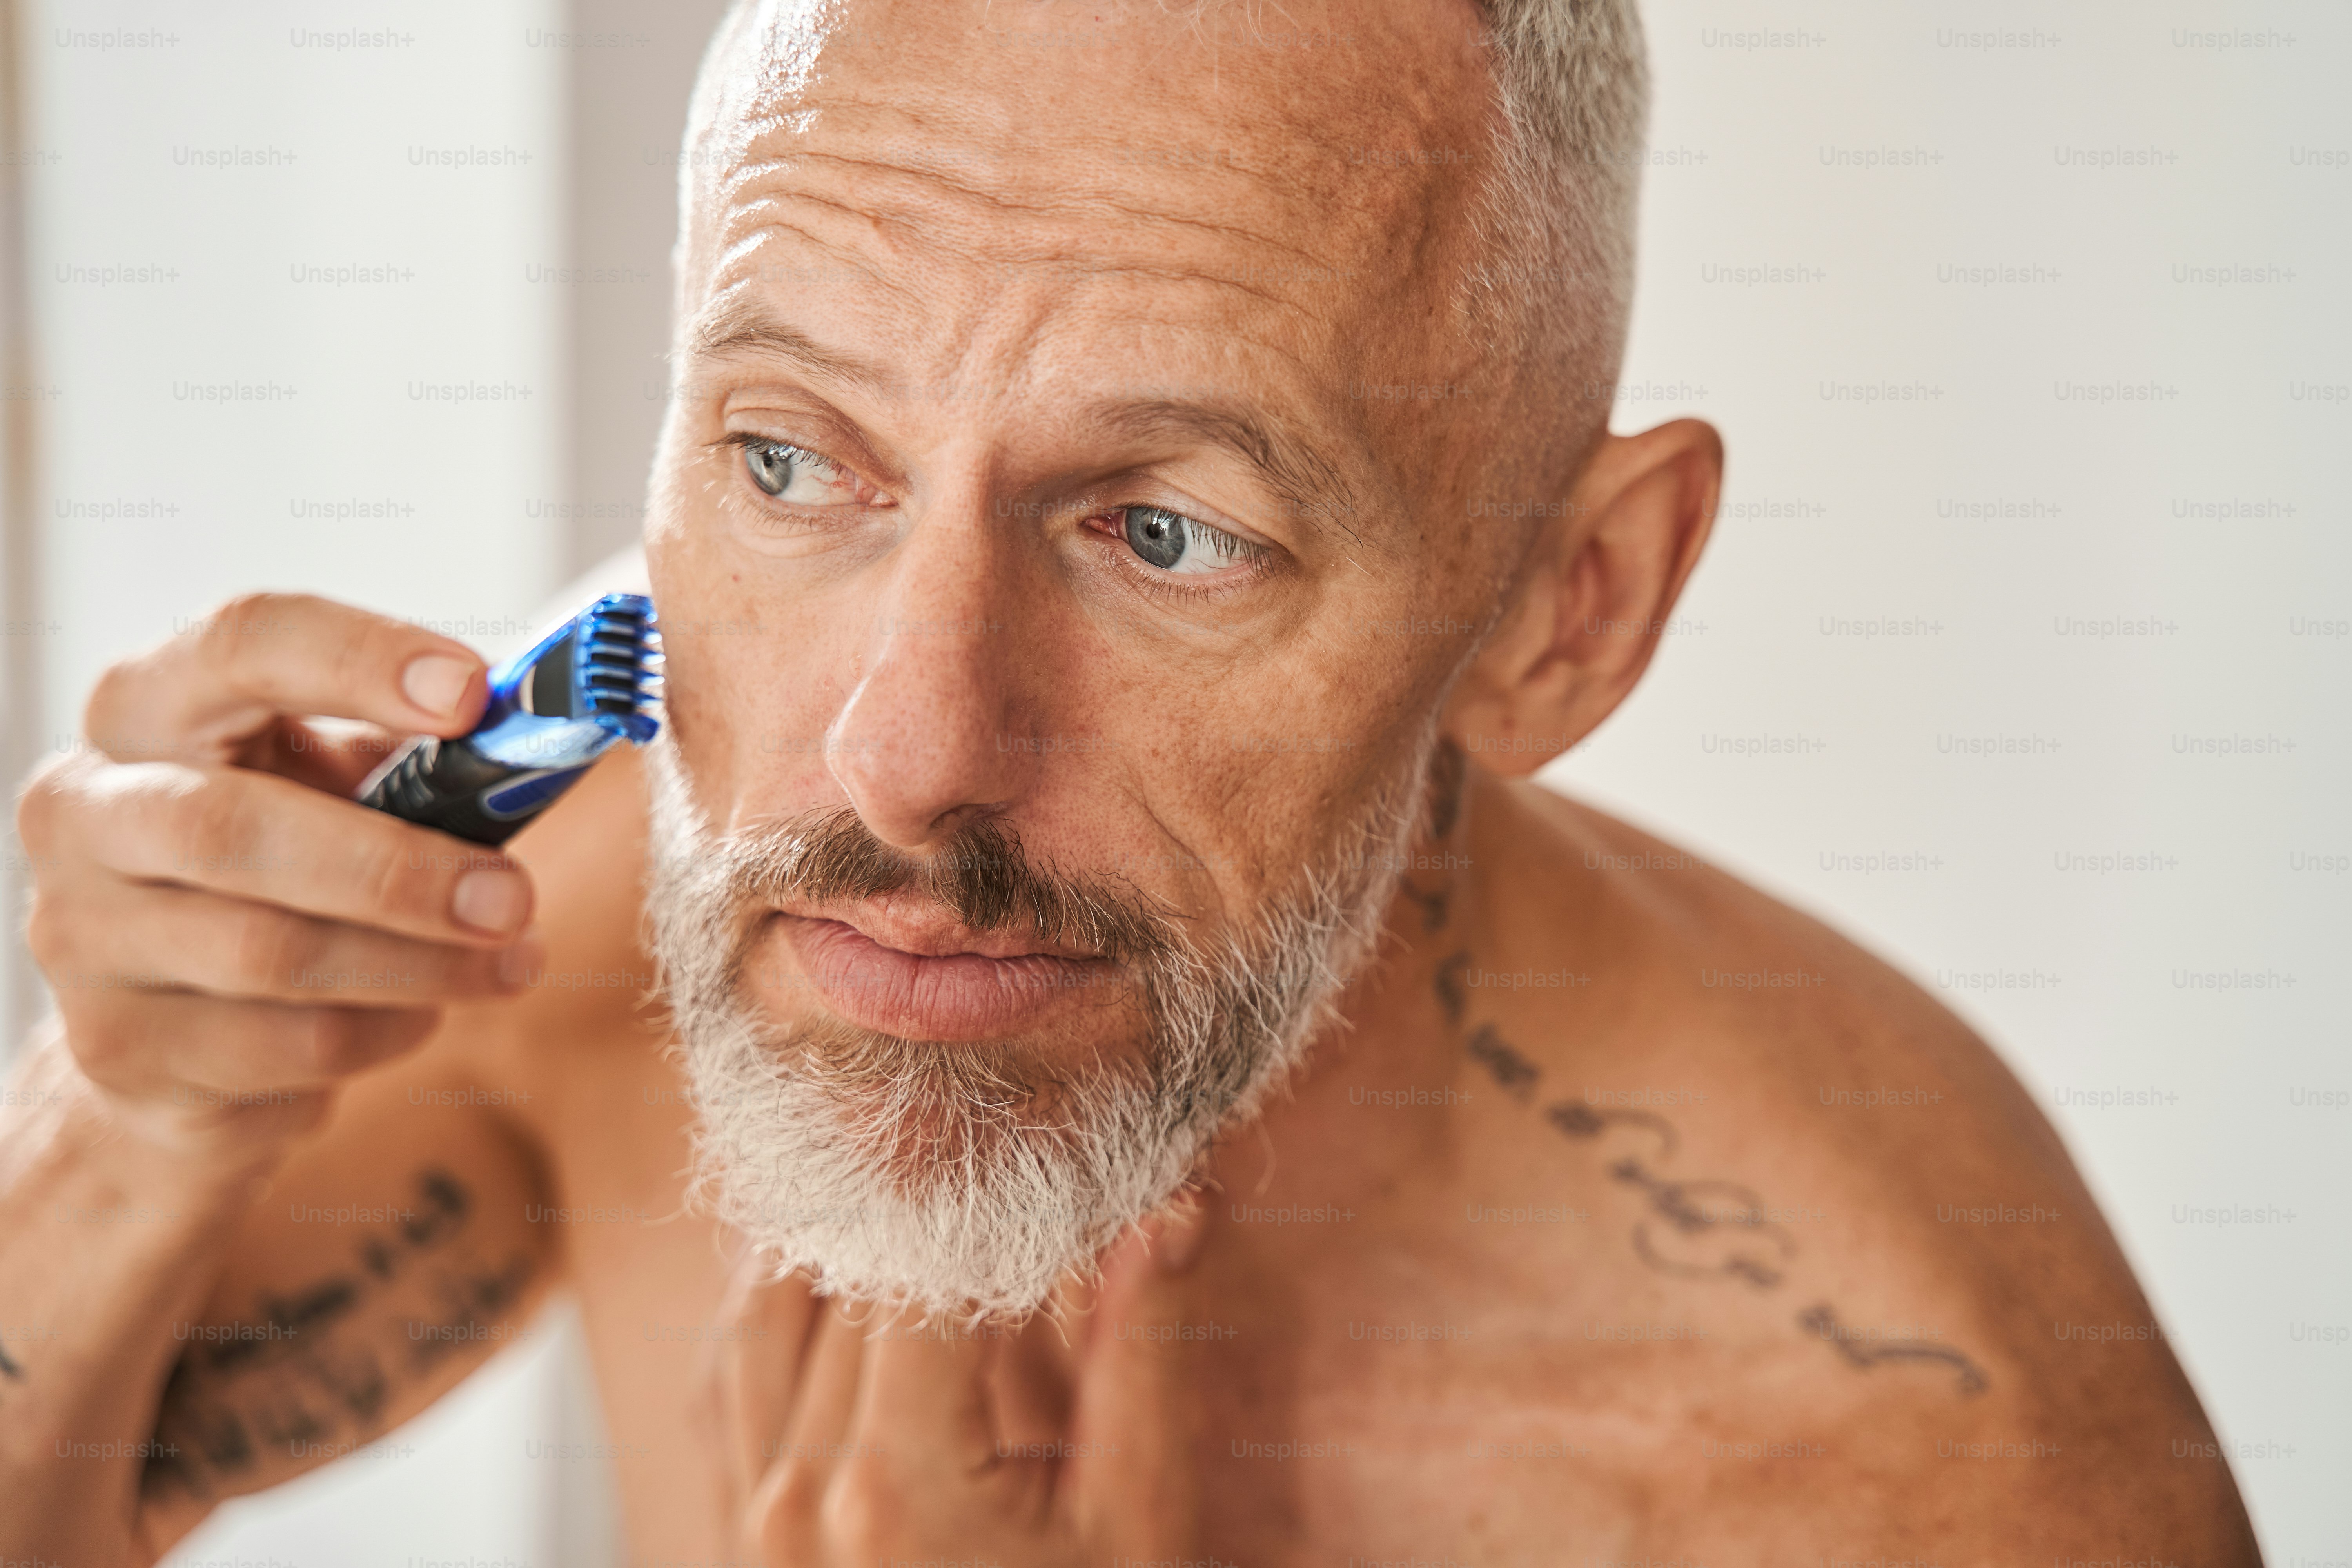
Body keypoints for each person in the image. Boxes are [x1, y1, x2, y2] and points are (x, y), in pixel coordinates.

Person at [0, 1, 2258, 1562]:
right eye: (798, 460)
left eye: (1167, 529)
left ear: (1566, 611)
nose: (901, 759)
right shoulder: (577, 870)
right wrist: (128, 1127)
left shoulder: (1921, 1477)